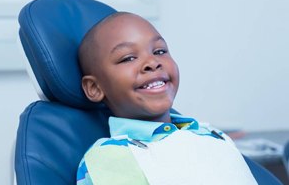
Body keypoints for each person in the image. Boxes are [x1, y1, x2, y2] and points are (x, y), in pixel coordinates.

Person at [76, 12, 258, 185]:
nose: (153, 62)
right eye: (129, 58)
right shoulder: (111, 157)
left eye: (160, 51)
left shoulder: (209, 134)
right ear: (94, 87)